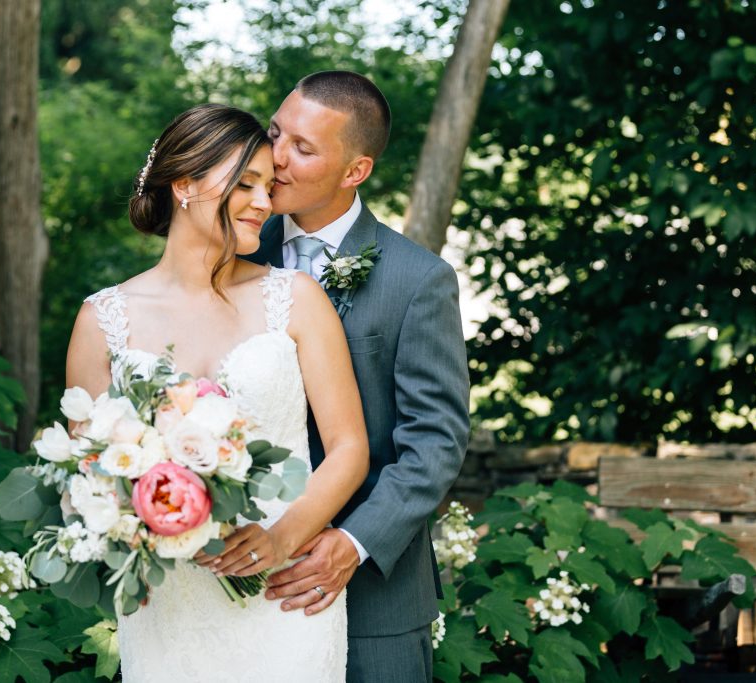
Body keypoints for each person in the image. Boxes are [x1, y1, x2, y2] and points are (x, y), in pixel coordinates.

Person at [65, 103, 369, 681]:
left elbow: (349, 447)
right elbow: (88, 476)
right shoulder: (103, 319)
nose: (265, 202)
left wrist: (281, 540)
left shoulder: (297, 299)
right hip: (169, 603)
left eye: (269, 185)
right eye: (245, 184)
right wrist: (134, 527)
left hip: (285, 593)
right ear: (184, 184)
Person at [245, 71, 470, 682]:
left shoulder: (416, 280)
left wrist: (354, 543)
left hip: (373, 597)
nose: (277, 160)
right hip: (241, 583)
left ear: (355, 172)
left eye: (305, 148)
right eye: (274, 134)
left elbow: (436, 441)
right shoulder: (231, 255)